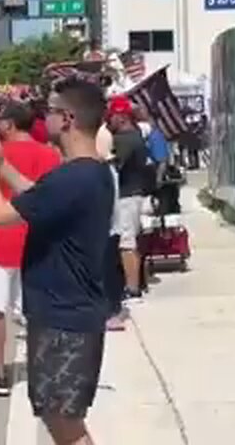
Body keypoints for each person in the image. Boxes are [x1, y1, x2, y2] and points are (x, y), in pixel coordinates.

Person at [0, 78, 115, 445]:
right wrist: (1, 166)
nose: (42, 118)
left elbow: (1, 214)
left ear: (67, 118)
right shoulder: (89, 173)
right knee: (59, 417)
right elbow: (37, 196)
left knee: (63, 421)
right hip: (67, 312)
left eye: (49, 110)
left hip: (64, 317)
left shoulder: (72, 178)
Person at [0, 101, 61, 397]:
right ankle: (42, 370)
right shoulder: (50, 155)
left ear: (9, 124)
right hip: (37, 242)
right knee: (36, 312)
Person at [107, 95, 151, 323]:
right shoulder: (136, 136)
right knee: (130, 242)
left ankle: (132, 289)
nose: (109, 119)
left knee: (126, 244)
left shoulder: (125, 139)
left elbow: (115, 165)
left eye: (111, 115)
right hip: (133, 194)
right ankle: (135, 284)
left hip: (127, 196)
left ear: (121, 116)